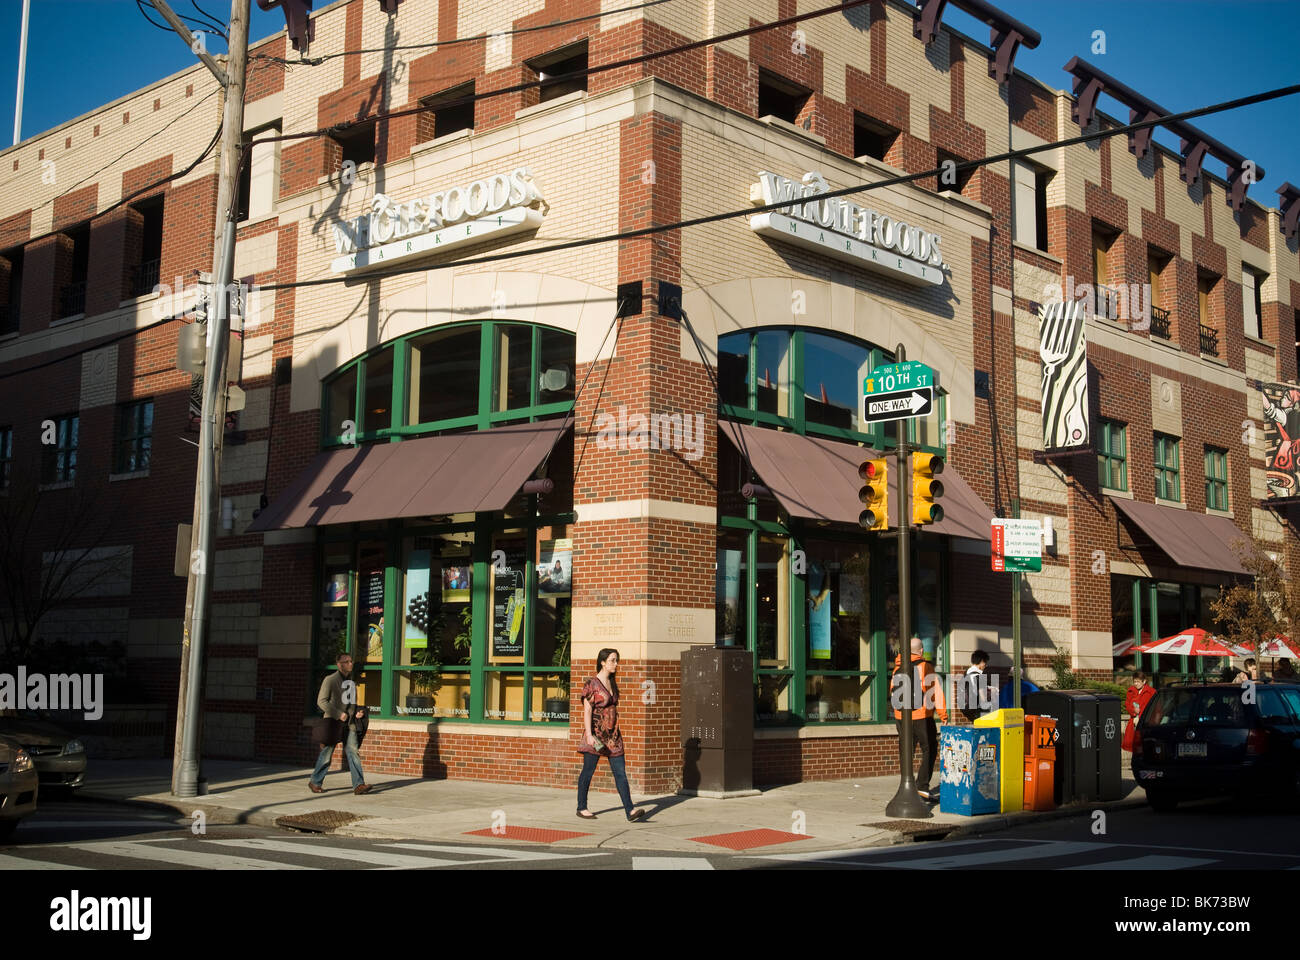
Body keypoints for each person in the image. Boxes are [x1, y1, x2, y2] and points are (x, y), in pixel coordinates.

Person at [576, 648, 646, 821]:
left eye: (616, 660)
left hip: (613, 737)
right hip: (596, 735)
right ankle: (581, 807)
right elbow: (587, 711)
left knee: (621, 773)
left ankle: (630, 811)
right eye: (613, 660)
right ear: (602, 662)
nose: (616, 664)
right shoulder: (592, 684)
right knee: (588, 771)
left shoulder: (611, 682)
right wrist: (590, 736)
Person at [892, 636, 947, 801]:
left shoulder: (897, 667)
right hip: (922, 715)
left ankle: (905, 786)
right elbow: (935, 691)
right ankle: (922, 787)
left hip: (901, 716)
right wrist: (943, 714)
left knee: (906, 751)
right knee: (929, 749)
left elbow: (892, 692)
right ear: (921, 651)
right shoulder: (925, 666)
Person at [309, 653, 371, 795]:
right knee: (327, 754)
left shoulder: (351, 682)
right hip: (333, 724)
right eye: (347, 661)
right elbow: (321, 701)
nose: (350, 664)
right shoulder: (330, 680)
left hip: (350, 725)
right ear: (339, 664)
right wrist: (338, 714)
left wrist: (357, 713)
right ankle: (315, 781)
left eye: (351, 661)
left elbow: (351, 704)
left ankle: (358, 785)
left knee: (353, 752)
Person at [1122, 670, 1155, 753]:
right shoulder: (1131, 691)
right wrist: (1133, 710)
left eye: (1138, 681)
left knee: (1145, 746)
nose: (1136, 683)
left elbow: (1155, 708)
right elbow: (1127, 704)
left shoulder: (1151, 692)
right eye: (1134, 681)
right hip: (1134, 721)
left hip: (1146, 722)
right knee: (1135, 746)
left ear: (1144, 681)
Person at [963, 649, 991, 722]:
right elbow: (983, 697)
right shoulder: (979, 676)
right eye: (985, 662)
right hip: (976, 709)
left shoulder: (966, 673)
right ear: (981, 661)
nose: (986, 665)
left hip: (965, 708)